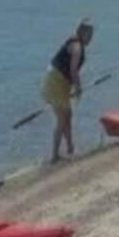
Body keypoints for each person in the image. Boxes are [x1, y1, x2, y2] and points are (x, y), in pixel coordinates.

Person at [41, 19, 95, 163]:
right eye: (89, 34)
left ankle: (70, 147)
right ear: (82, 32)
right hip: (55, 83)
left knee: (68, 115)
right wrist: (78, 88)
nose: (91, 38)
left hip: (60, 82)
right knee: (62, 118)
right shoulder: (77, 47)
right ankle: (55, 156)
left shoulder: (76, 43)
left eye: (92, 34)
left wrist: (73, 87)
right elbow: (73, 70)